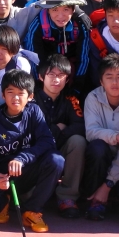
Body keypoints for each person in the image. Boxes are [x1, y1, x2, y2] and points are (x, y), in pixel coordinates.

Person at [0, 69, 63, 233]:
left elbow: (48, 141)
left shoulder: (34, 112)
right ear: (3, 95)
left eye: (21, 93)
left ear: (30, 96)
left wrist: (22, 158)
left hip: (25, 171)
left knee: (56, 160)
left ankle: (32, 210)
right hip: (2, 177)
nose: (16, 98)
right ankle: (4, 201)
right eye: (10, 92)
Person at [83, 53, 119, 221]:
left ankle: (107, 194)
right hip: (100, 155)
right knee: (97, 148)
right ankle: (94, 201)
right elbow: (91, 132)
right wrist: (118, 136)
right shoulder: (93, 98)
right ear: (101, 81)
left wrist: (108, 184)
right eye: (109, 77)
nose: (114, 82)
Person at [35, 53, 87, 219]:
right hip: (37, 151)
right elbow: (34, 130)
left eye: (61, 75)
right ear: (41, 77)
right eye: (51, 75)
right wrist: (57, 128)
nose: (56, 80)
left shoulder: (70, 99)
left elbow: (79, 126)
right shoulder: (31, 98)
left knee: (78, 142)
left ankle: (67, 197)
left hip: (61, 146)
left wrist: (58, 132)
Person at [24, 0, 91, 90]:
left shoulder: (81, 25)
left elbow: (84, 57)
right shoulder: (37, 26)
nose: (60, 16)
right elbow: (34, 59)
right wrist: (39, 85)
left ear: (74, 10)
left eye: (66, 9)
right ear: (48, 10)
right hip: (47, 73)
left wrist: (77, 86)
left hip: (73, 72)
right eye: (55, 9)